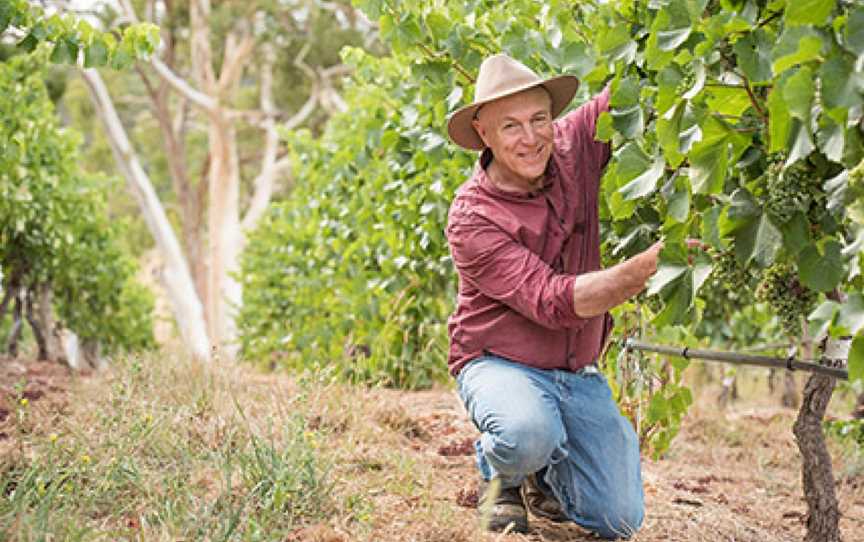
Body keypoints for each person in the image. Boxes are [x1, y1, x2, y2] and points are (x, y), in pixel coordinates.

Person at [444, 54, 662, 539]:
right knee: (525, 432)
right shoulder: (472, 218)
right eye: (511, 126)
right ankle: (503, 473)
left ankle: (547, 473)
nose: (531, 138)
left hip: (574, 373)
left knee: (619, 520)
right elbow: (552, 301)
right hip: (500, 364)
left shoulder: (574, 145)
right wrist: (642, 270)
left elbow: (636, 83)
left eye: (539, 119)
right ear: (484, 134)